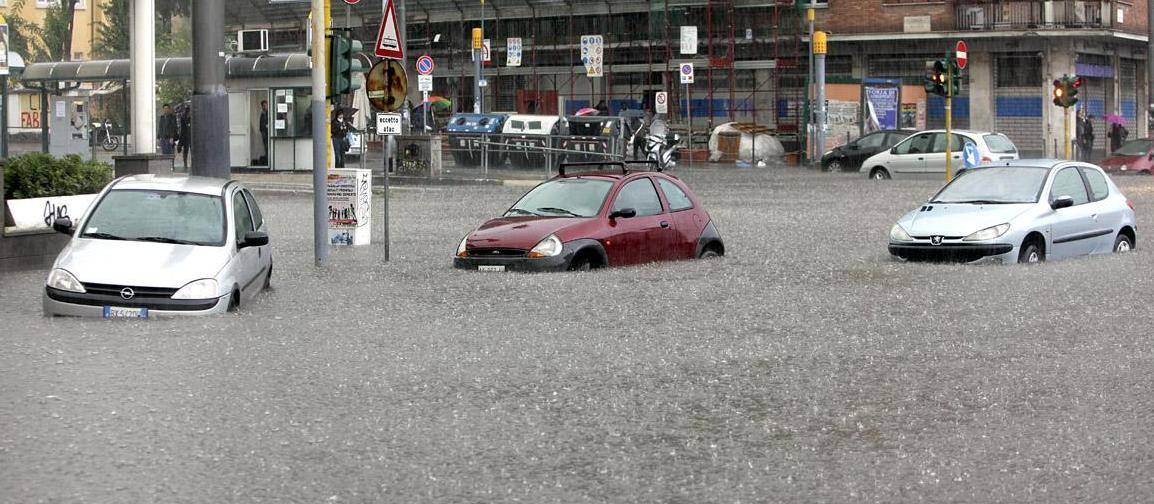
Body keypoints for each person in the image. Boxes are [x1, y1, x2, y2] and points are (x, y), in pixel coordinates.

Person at [259, 100, 269, 165]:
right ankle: (267, 160)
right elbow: (261, 124)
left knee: (268, 147)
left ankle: (269, 160)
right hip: (264, 133)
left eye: (265, 106)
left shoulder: (268, 113)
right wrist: (262, 132)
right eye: (263, 106)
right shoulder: (262, 114)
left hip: (268, 133)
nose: (264, 107)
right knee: (266, 147)